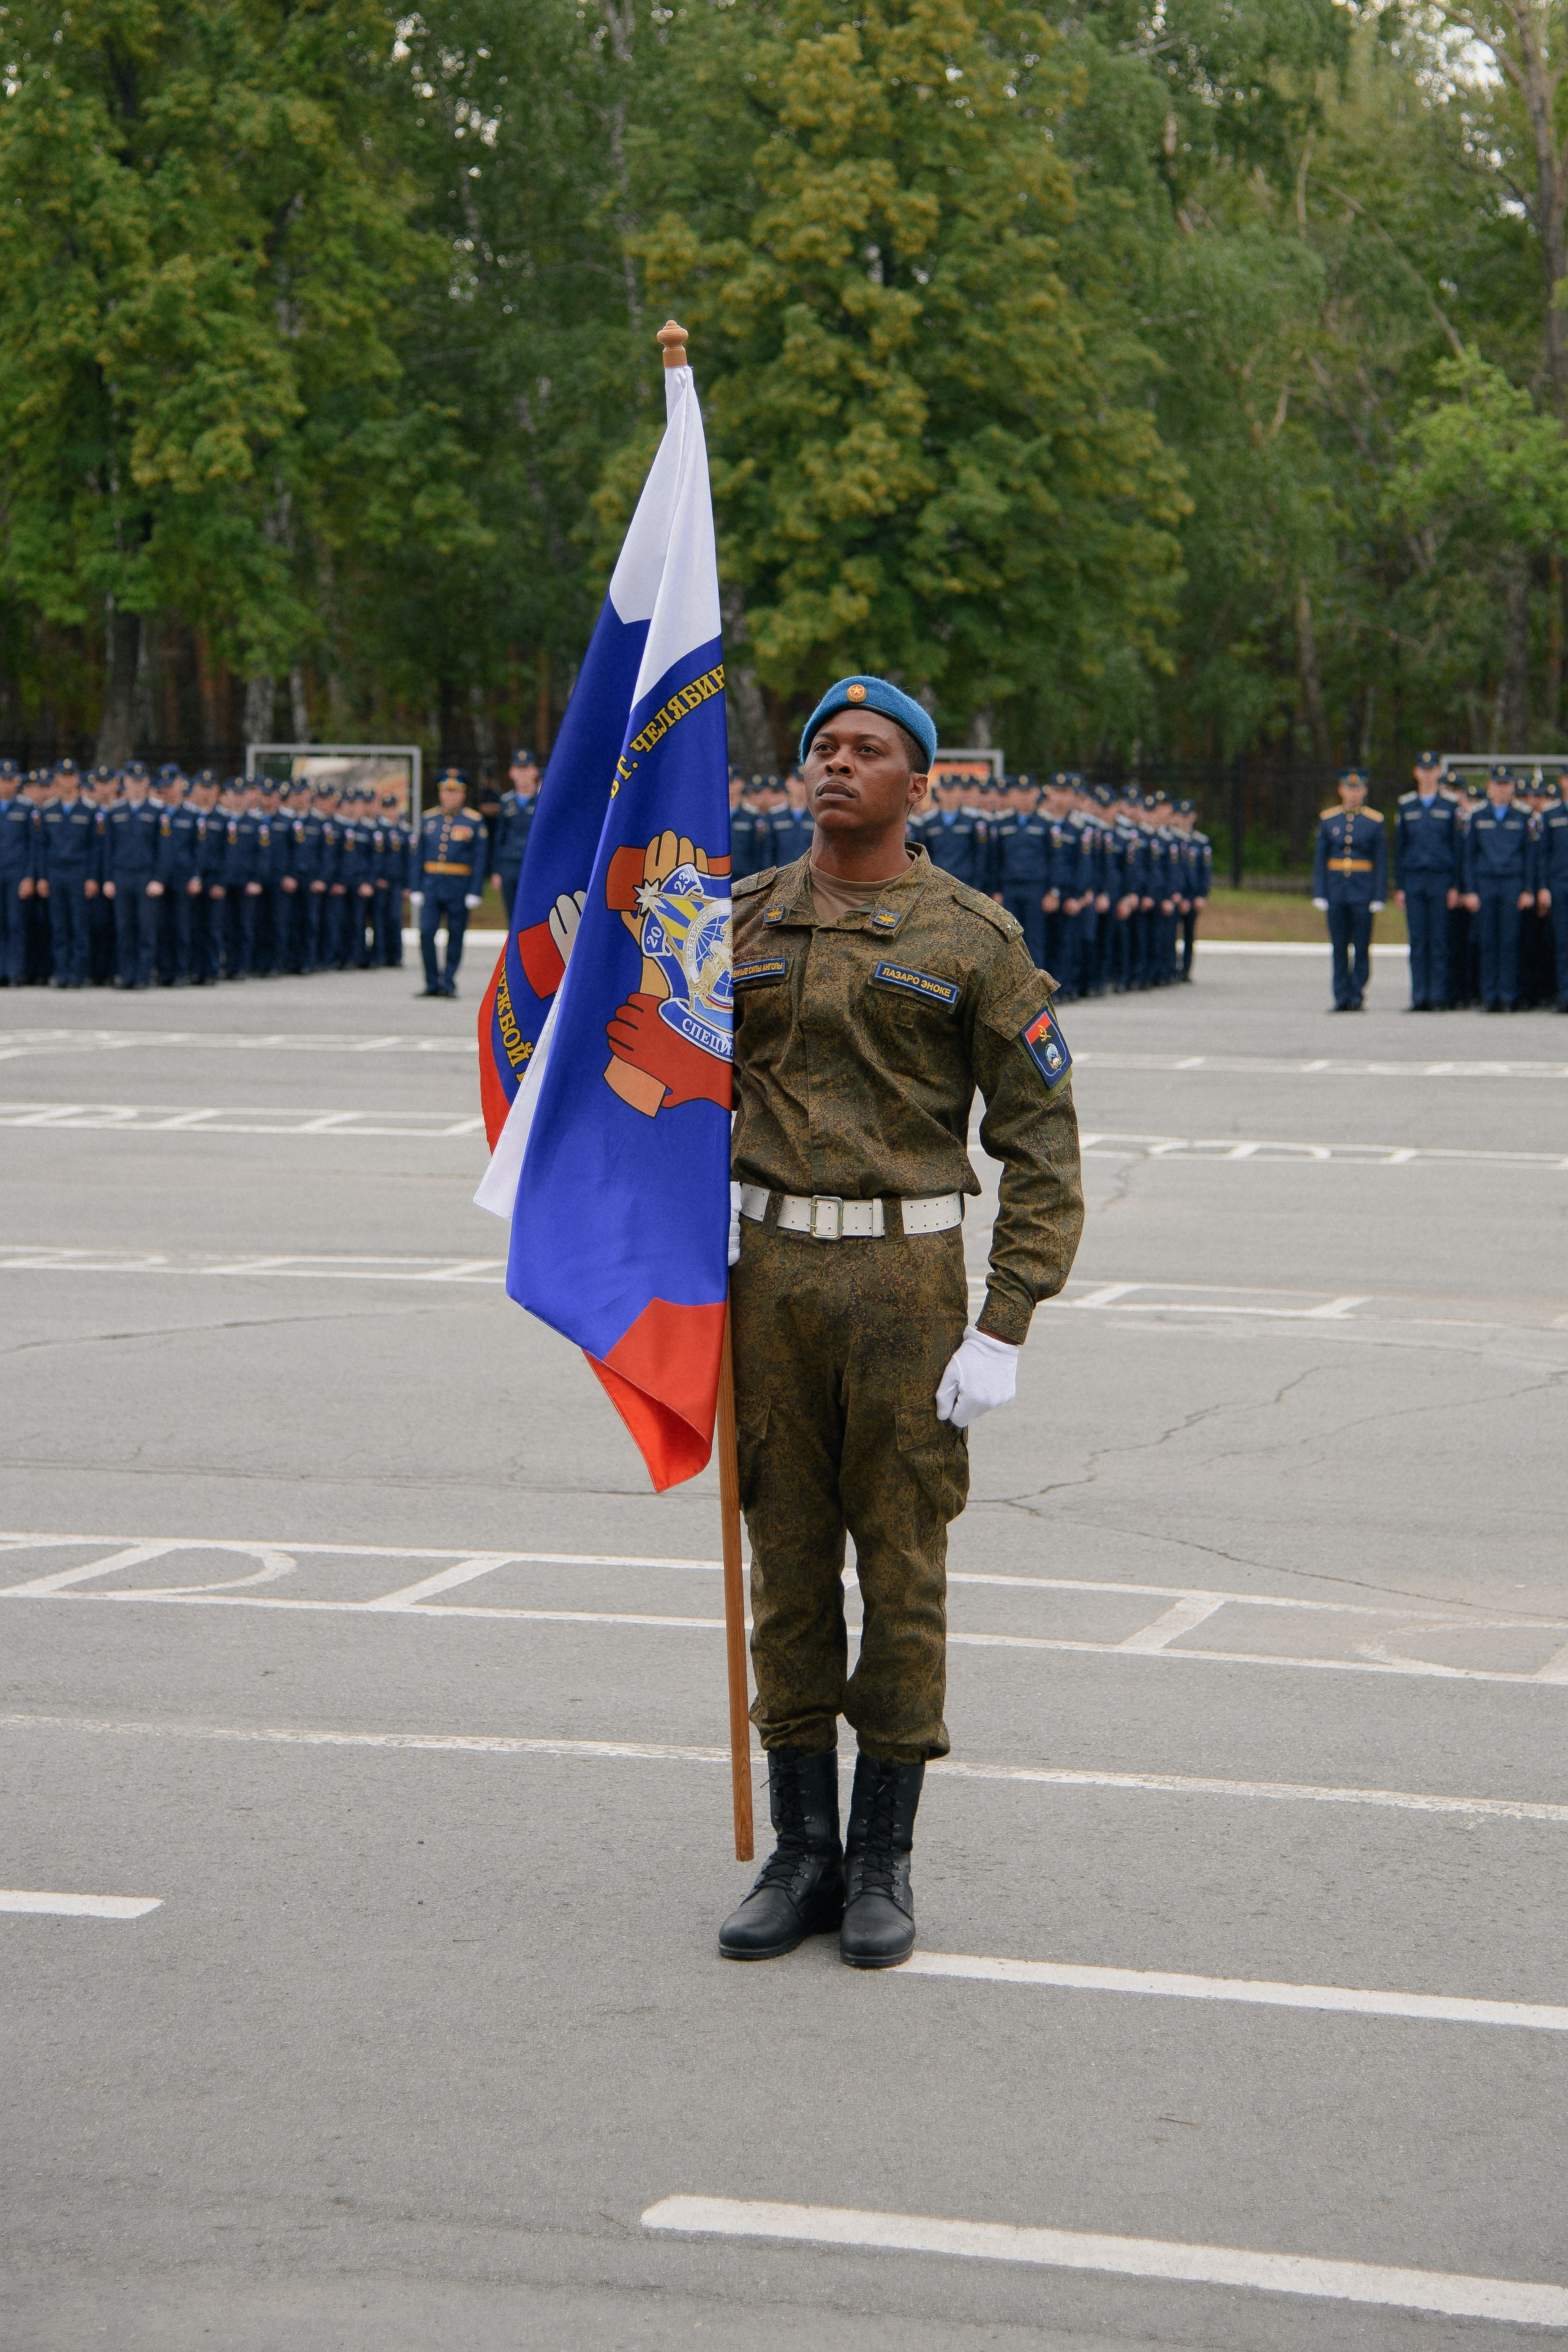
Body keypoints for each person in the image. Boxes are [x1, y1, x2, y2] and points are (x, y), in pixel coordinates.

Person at [718, 675, 1084, 1970]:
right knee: (787, 1567)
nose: (837, 765)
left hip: (904, 1290)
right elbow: (661, 1084)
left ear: (919, 785)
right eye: (822, 747)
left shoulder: (971, 938)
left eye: (868, 751)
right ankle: (800, 1849)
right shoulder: (738, 919)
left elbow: (1040, 1144)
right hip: (763, 1283)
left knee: (903, 1572)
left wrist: (1004, 1320)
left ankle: (880, 1854)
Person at [1312, 766, 1387, 1011]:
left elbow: (1381, 861)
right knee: (1339, 946)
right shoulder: (1329, 819)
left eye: (1358, 789)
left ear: (1364, 791)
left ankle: (1357, 993)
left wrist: (1378, 895)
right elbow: (1320, 859)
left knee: (1362, 945)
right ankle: (1341, 995)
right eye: (1349, 789)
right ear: (1341, 790)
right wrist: (1320, 892)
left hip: (1362, 890)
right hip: (1336, 889)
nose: (1353, 794)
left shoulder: (1374, 822)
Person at [1463, 765, 1537, 1011]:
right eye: (1498, 784)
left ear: (1513, 787)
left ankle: (1507, 996)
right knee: (1487, 941)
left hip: (1512, 884)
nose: (1503, 789)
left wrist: (1528, 889)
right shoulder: (1478, 814)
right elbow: (1470, 856)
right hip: (1485, 884)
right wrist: (1471, 890)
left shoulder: (1523, 815)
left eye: (1507, 784)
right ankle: (1489, 995)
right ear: (1490, 786)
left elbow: (1530, 856)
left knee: (1509, 942)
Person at [1393, 750, 1460, 1010]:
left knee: (1440, 940)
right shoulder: (1407, 805)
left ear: (1438, 773)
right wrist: (1399, 886)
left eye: (1432, 769)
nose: (1428, 774)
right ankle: (1419, 995)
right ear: (1416, 773)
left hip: (1441, 879)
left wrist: (1455, 885)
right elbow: (1400, 849)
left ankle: (1438, 996)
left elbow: (1457, 848)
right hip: (1414, 879)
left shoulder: (1449, 805)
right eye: (1423, 769)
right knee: (1418, 941)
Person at [412, 768, 485, 997]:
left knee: (456, 934)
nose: (450, 797)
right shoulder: (428, 819)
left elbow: (480, 859)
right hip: (432, 885)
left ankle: (449, 981)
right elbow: (418, 856)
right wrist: (416, 887)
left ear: (462, 795)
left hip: (459, 886)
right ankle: (432, 981)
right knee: (426, 933)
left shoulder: (474, 821)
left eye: (455, 793)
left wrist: (475, 890)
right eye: (446, 792)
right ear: (440, 793)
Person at [103, 762, 164, 987]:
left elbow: (163, 849)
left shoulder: (157, 811)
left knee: (146, 929)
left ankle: (143, 975)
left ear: (146, 782)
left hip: (146, 877)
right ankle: (126, 974)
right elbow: (108, 848)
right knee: (124, 929)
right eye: (132, 781)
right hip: (121, 876)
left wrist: (158, 878)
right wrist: (108, 878)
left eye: (140, 781)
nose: (136, 786)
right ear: (125, 782)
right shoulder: (116, 811)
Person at [39, 758, 97, 987]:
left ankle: (78, 974)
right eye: (62, 776)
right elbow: (42, 846)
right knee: (59, 926)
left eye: (71, 776)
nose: (67, 780)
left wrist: (92, 877)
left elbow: (95, 847)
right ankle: (62, 973)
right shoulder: (49, 809)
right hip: (55, 873)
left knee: (79, 926)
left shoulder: (88, 810)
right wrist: (42, 876)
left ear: (77, 778)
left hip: (79, 873)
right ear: (57, 779)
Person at [0, 759, 35, 986]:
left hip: (16, 874)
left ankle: (14, 972)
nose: (6, 785)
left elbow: (34, 845)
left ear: (17, 782)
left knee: (15, 924)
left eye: (10, 780)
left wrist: (29, 876)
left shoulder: (27, 808)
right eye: (3, 780)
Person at [491, 752, 537, 921]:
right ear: (512, 772)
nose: (523, 774)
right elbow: (499, 837)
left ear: (534, 771)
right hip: (509, 864)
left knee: (533, 914)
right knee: (512, 916)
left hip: (533, 864)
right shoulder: (506, 801)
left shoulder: (541, 800)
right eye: (519, 769)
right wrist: (496, 871)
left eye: (526, 769)